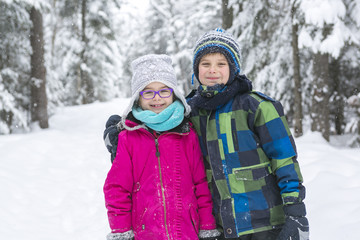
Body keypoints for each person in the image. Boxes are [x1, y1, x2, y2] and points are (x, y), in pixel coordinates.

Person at [104, 29, 309, 240]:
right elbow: (158, 123)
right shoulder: (191, 112)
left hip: (265, 222)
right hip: (222, 226)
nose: (213, 70)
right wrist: (120, 133)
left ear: (233, 68)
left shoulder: (256, 107)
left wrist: (295, 210)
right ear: (196, 69)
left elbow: (284, 160)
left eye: (221, 64)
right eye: (205, 64)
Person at [103, 54, 220, 240]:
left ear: (173, 94)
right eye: (148, 92)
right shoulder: (128, 138)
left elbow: (201, 185)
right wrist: (121, 231)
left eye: (164, 91)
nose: (157, 98)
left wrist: (207, 226)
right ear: (137, 98)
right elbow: (117, 188)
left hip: (186, 233)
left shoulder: (186, 134)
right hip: (145, 233)